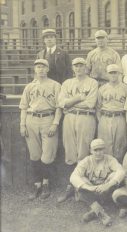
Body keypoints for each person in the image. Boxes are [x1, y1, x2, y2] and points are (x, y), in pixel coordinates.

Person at [19, 59, 62, 200]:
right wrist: (22, 125)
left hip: (48, 118)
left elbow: (59, 107)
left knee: (47, 155)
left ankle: (46, 184)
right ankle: (37, 185)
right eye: (38, 67)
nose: (41, 69)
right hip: (31, 119)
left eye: (43, 67)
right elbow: (24, 107)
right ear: (35, 70)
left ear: (48, 69)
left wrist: (55, 123)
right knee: (35, 155)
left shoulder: (55, 85)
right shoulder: (29, 86)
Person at [57, 57, 98, 203]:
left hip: (86, 118)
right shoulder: (67, 83)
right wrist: (79, 98)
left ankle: (81, 189)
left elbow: (90, 103)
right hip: (69, 118)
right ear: (72, 68)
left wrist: (71, 102)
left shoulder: (92, 82)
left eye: (81, 65)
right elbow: (62, 103)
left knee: (83, 152)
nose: (78, 68)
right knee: (70, 152)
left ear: (86, 67)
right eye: (76, 65)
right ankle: (71, 187)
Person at [70, 139, 125, 226]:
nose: (98, 153)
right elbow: (73, 176)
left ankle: (94, 210)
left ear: (104, 150)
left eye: (101, 149)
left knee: (115, 175)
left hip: (105, 190)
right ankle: (101, 213)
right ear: (91, 151)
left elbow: (121, 171)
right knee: (81, 182)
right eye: (95, 150)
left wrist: (108, 185)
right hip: (91, 190)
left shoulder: (110, 159)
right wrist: (89, 187)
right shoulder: (86, 160)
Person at [96, 64, 127, 162]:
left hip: (120, 117)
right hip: (105, 117)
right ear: (107, 74)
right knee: (104, 144)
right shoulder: (102, 89)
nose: (113, 75)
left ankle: (118, 168)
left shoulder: (126, 88)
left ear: (119, 74)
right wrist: (100, 120)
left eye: (115, 72)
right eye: (111, 73)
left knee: (120, 144)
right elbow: (98, 107)